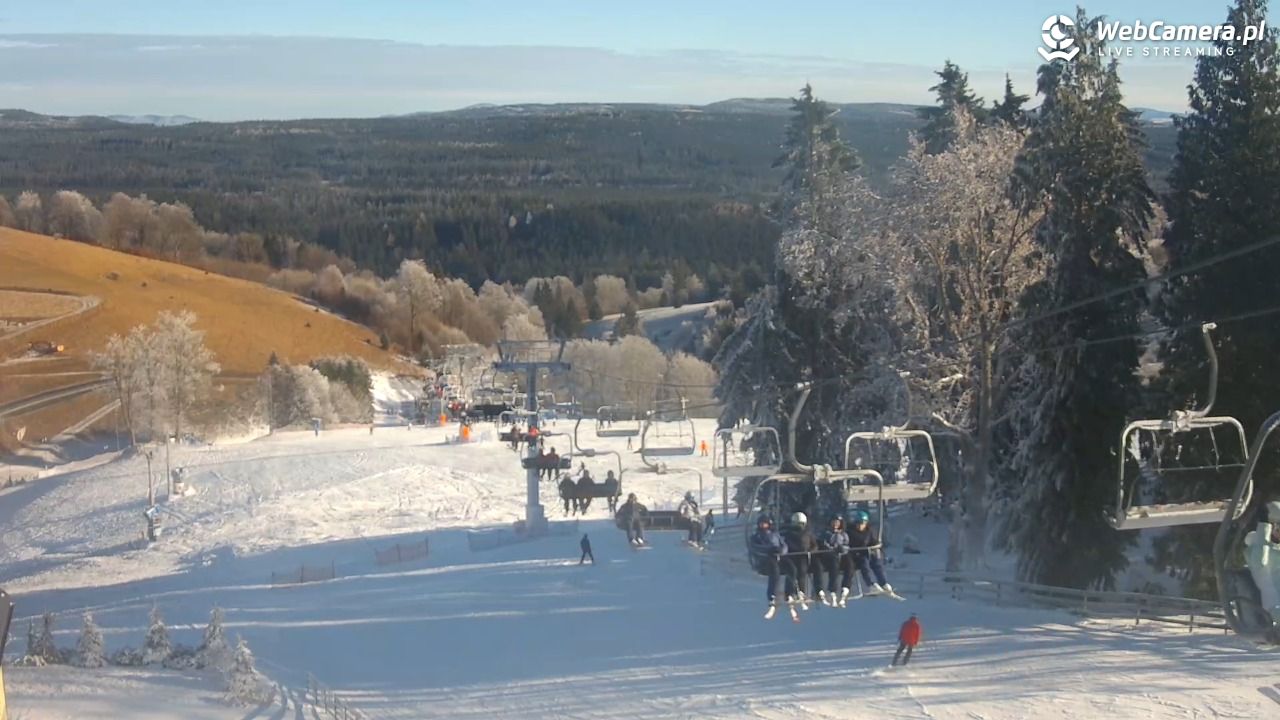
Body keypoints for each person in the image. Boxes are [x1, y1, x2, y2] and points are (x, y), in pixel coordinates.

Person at [749, 515, 789, 615]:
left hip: (778, 558)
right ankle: (773, 596)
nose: (763, 526)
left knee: (792, 567)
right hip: (764, 562)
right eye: (761, 524)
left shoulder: (775, 535)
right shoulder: (756, 537)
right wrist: (769, 550)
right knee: (774, 571)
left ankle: (791, 592)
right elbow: (756, 548)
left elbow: (784, 545)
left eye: (765, 524)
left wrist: (781, 551)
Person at [848, 510, 893, 595]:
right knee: (865, 565)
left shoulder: (869, 531)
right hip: (857, 556)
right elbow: (850, 545)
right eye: (859, 523)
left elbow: (873, 541)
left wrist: (878, 548)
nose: (861, 525)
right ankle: (871, 584)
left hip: (868, 553)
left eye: (863, 523)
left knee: (877, 563)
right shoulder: (851, 532)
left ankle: (884, 583)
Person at [782, 511, 817, 605]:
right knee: (792, 571)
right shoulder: (789, 533)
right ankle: (788, 593)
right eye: (797, 524)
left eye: (801, 524)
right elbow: (786, 544)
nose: (799, 526)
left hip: (803, 556)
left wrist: (810, 551)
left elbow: (814, 545)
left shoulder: (807, 533)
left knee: (802, 571)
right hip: (791, 556)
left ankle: (801, 592)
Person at [819, 516, 854, 606]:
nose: (835, 525)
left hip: (842, 556)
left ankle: (845, 587)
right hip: (829, 557)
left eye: (837, 523)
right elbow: (823, 545)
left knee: (850, 564)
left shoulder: (843, 534)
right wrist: (832, 548)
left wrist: (843, 549)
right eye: (834, 523)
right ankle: (832, 589)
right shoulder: (826, 534)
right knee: (834, 567)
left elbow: (847, 545)